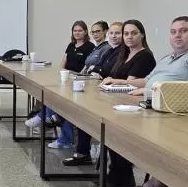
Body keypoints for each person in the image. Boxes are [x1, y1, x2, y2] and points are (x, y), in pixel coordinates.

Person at [99, 16, 188, 187]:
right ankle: (122, 178)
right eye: (173, 32)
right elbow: (148, 80)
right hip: (156, 110)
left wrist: (147, 91)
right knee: (114, 121)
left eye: (184, 31)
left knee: (120, 128)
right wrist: (120, 82)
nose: (177, 36)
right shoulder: (168, 57)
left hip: (182, 121)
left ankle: (157, 179)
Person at [65, 20, 156, 175]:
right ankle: (85, 152)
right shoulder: (124, 54)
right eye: (126, 33)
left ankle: (118, 176)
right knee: (83, 109)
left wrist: (114, 81)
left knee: (104, 124)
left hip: (129, 105)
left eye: (133, 33)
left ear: (142, 35)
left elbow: (131, 83)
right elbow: (111, 75)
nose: (129, 37)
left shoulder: (144, 56)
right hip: (114, 97)